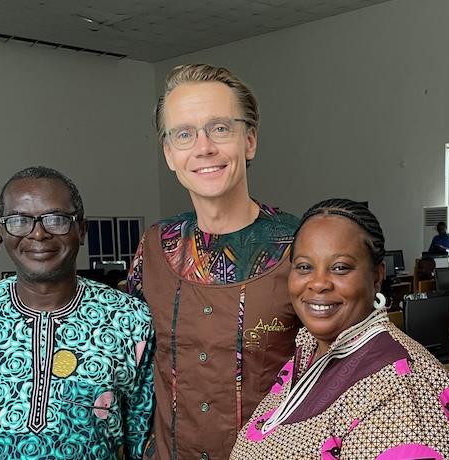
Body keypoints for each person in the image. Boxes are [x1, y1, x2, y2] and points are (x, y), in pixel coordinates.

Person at [0, 166, 154, 459]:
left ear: (82, 230)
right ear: (2, 233)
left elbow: (144, 439)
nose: (38, 233)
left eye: (57, 219)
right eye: (19, 221)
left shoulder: (131, 319)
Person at [128, 64, 299, 459]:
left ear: (250, 140)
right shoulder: (155, 247)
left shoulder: (298, 245)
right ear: (170, 154)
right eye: (184, 134)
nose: (203, 147)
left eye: (220, 128)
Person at [230, 199, 449, 459]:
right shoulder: (311, 349)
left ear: (376, 276)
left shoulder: (401, 389)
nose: (318, 284)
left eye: (340, 268)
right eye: (304, 267)